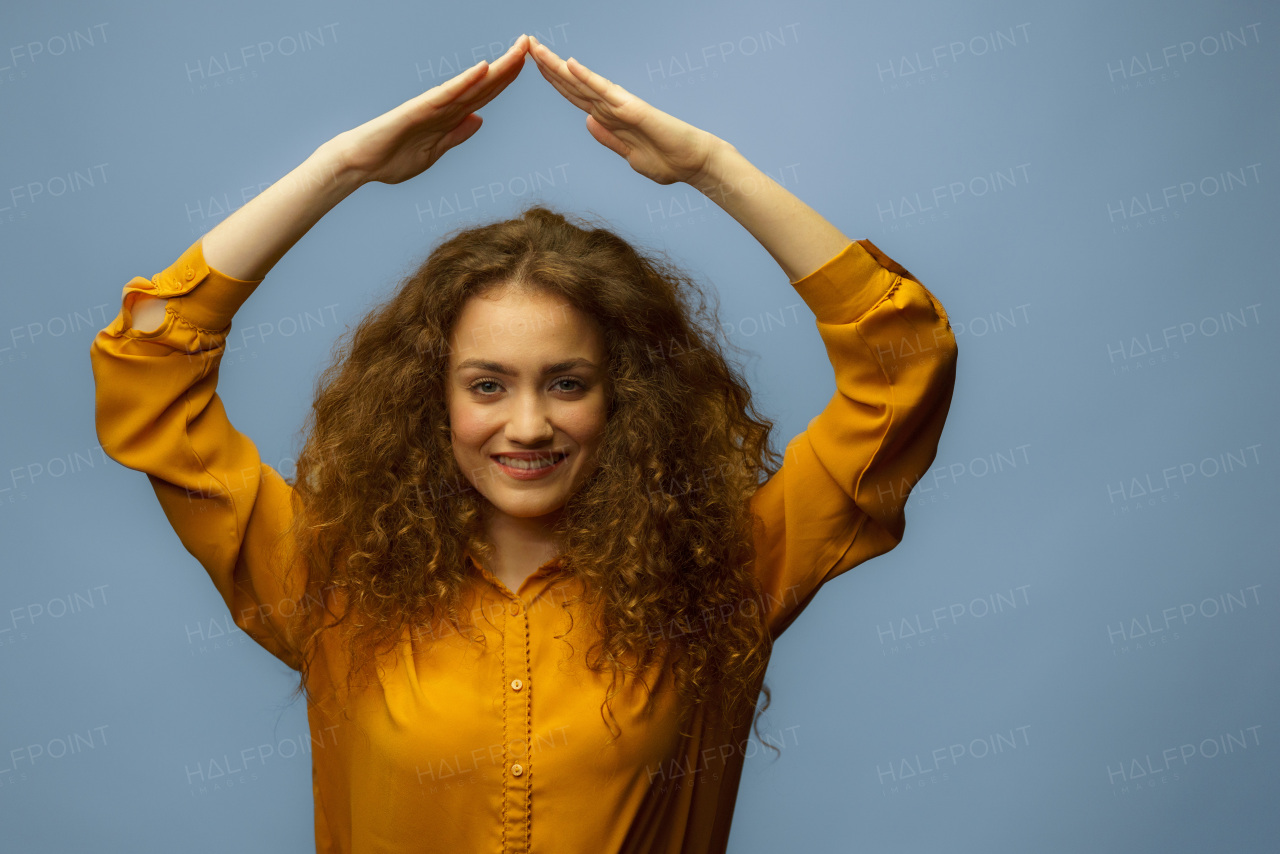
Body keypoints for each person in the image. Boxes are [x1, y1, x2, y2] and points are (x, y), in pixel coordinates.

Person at [90, 33, 957, 854]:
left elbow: (904, 366)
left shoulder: (720, 577)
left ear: (627, 400)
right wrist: (340, 169)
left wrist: (712, 169)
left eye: (568, 382)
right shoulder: (328, 579)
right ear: (428, 399)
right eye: (488, 385)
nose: (530, 424)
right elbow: (150, 364)